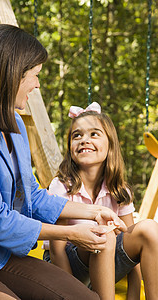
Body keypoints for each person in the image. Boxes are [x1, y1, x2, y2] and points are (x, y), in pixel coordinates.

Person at [0, 24, 127, 300]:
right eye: (34, 76)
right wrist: (72, 235)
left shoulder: (15, 124)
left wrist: (94, 212)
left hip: (3, 257)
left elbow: (33, 197)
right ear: (10, 75)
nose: (37, 85)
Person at [43, 102, 158, 300]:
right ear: (70, 146)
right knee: (105, 233)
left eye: (94, 134)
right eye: (76, 135)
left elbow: (131, 244)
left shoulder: (119, 190)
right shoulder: (61, 186)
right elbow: (56, 250)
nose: (84, 140)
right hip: (66, 267)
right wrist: (72, 294)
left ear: (110, 144)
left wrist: (133, 295)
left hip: (107, 260)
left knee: (148, 228)